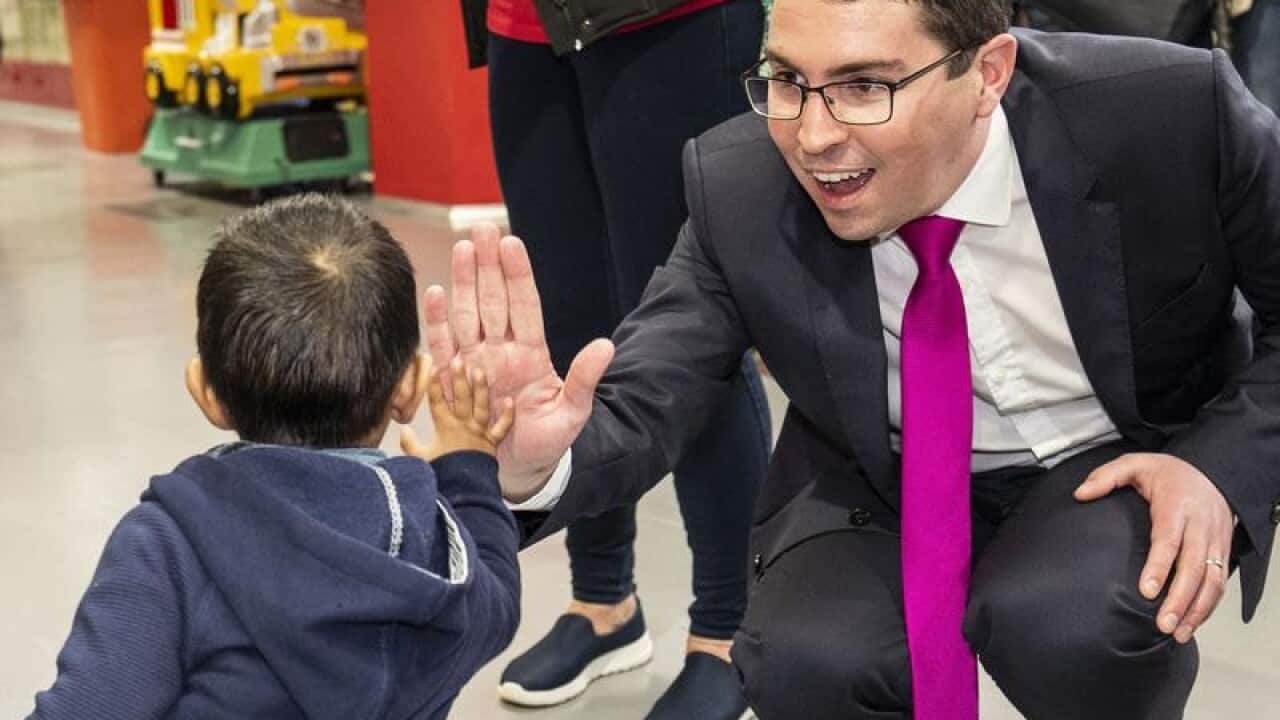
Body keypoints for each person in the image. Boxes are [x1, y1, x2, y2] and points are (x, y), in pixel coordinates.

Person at [424, 0, 1280, 716]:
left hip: (1108, 455)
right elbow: (651, 390)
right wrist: (536, 463)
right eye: (787, 81)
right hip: (881, 472)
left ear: (988, 72)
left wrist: (1214, 466)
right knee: (804, 657)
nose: (813, 135)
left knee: (1069, 623)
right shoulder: (738, 182)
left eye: (865, 86)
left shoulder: (1166, 111)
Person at [29, 194, 520, 720]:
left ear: (206, 392)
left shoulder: (170, 546)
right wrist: (468, 465)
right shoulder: (435, 548)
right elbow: (496, 602)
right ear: (410, 386)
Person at [471, 1, 773, 717]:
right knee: (565, 327)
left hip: (666, 19)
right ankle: (603, 602)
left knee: (691, 326)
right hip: (526, 23)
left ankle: (729, 629)